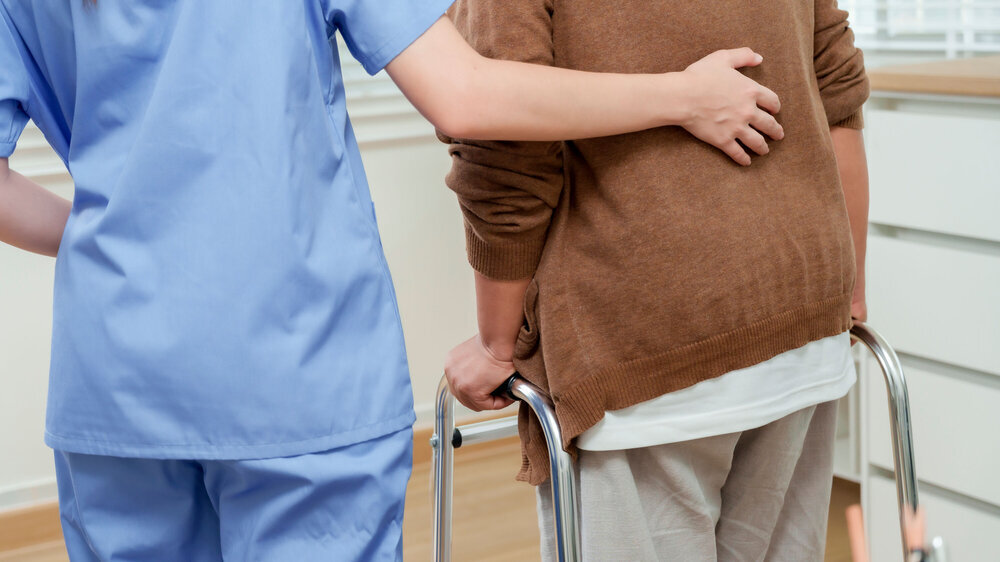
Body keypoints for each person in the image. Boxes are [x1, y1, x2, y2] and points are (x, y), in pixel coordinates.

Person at [0, 0, 785, 559]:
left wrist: (120, 236)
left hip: (114, 379)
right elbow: (467, 96)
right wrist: (683, 95)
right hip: (299, 378)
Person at [442, 0, 870, 560]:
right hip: (804, 316)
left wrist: (497, 343)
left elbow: (503, 145)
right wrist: (851, 288)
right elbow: (837, 95)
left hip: (643, 348)